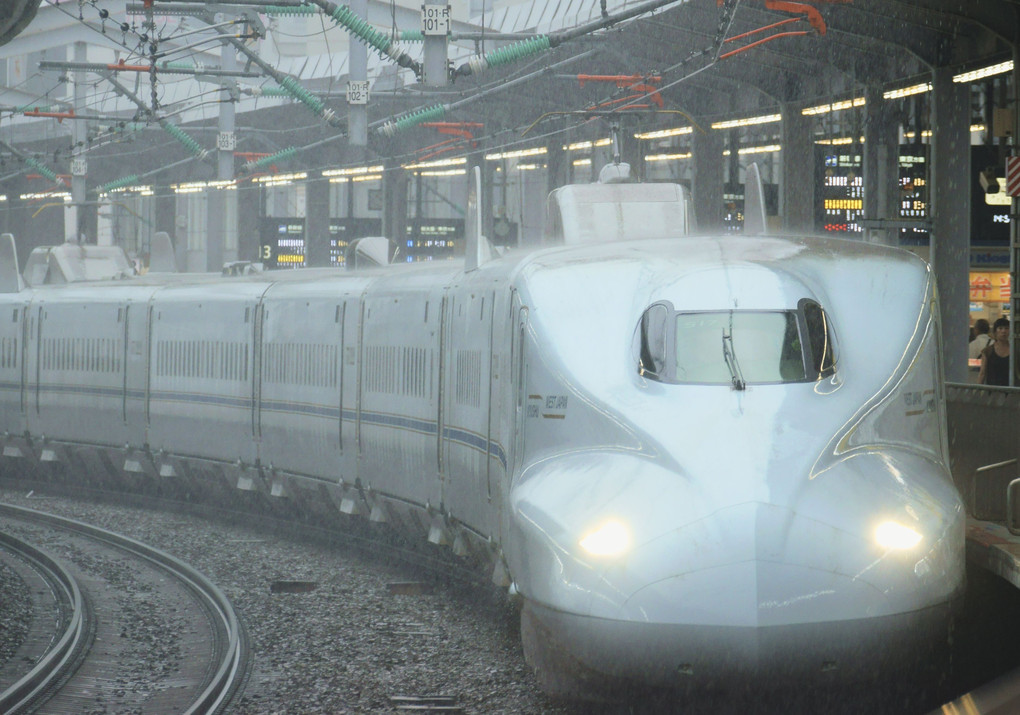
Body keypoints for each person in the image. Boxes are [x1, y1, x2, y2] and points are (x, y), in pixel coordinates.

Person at [979, 318, 1011, 386]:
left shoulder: (1015, 351)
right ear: (995, 331)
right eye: (1000, 328)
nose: (1003, 331)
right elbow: (982, 373)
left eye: (1006, 328)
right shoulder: (987, 351)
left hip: (1011, 392)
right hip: (993, 392)